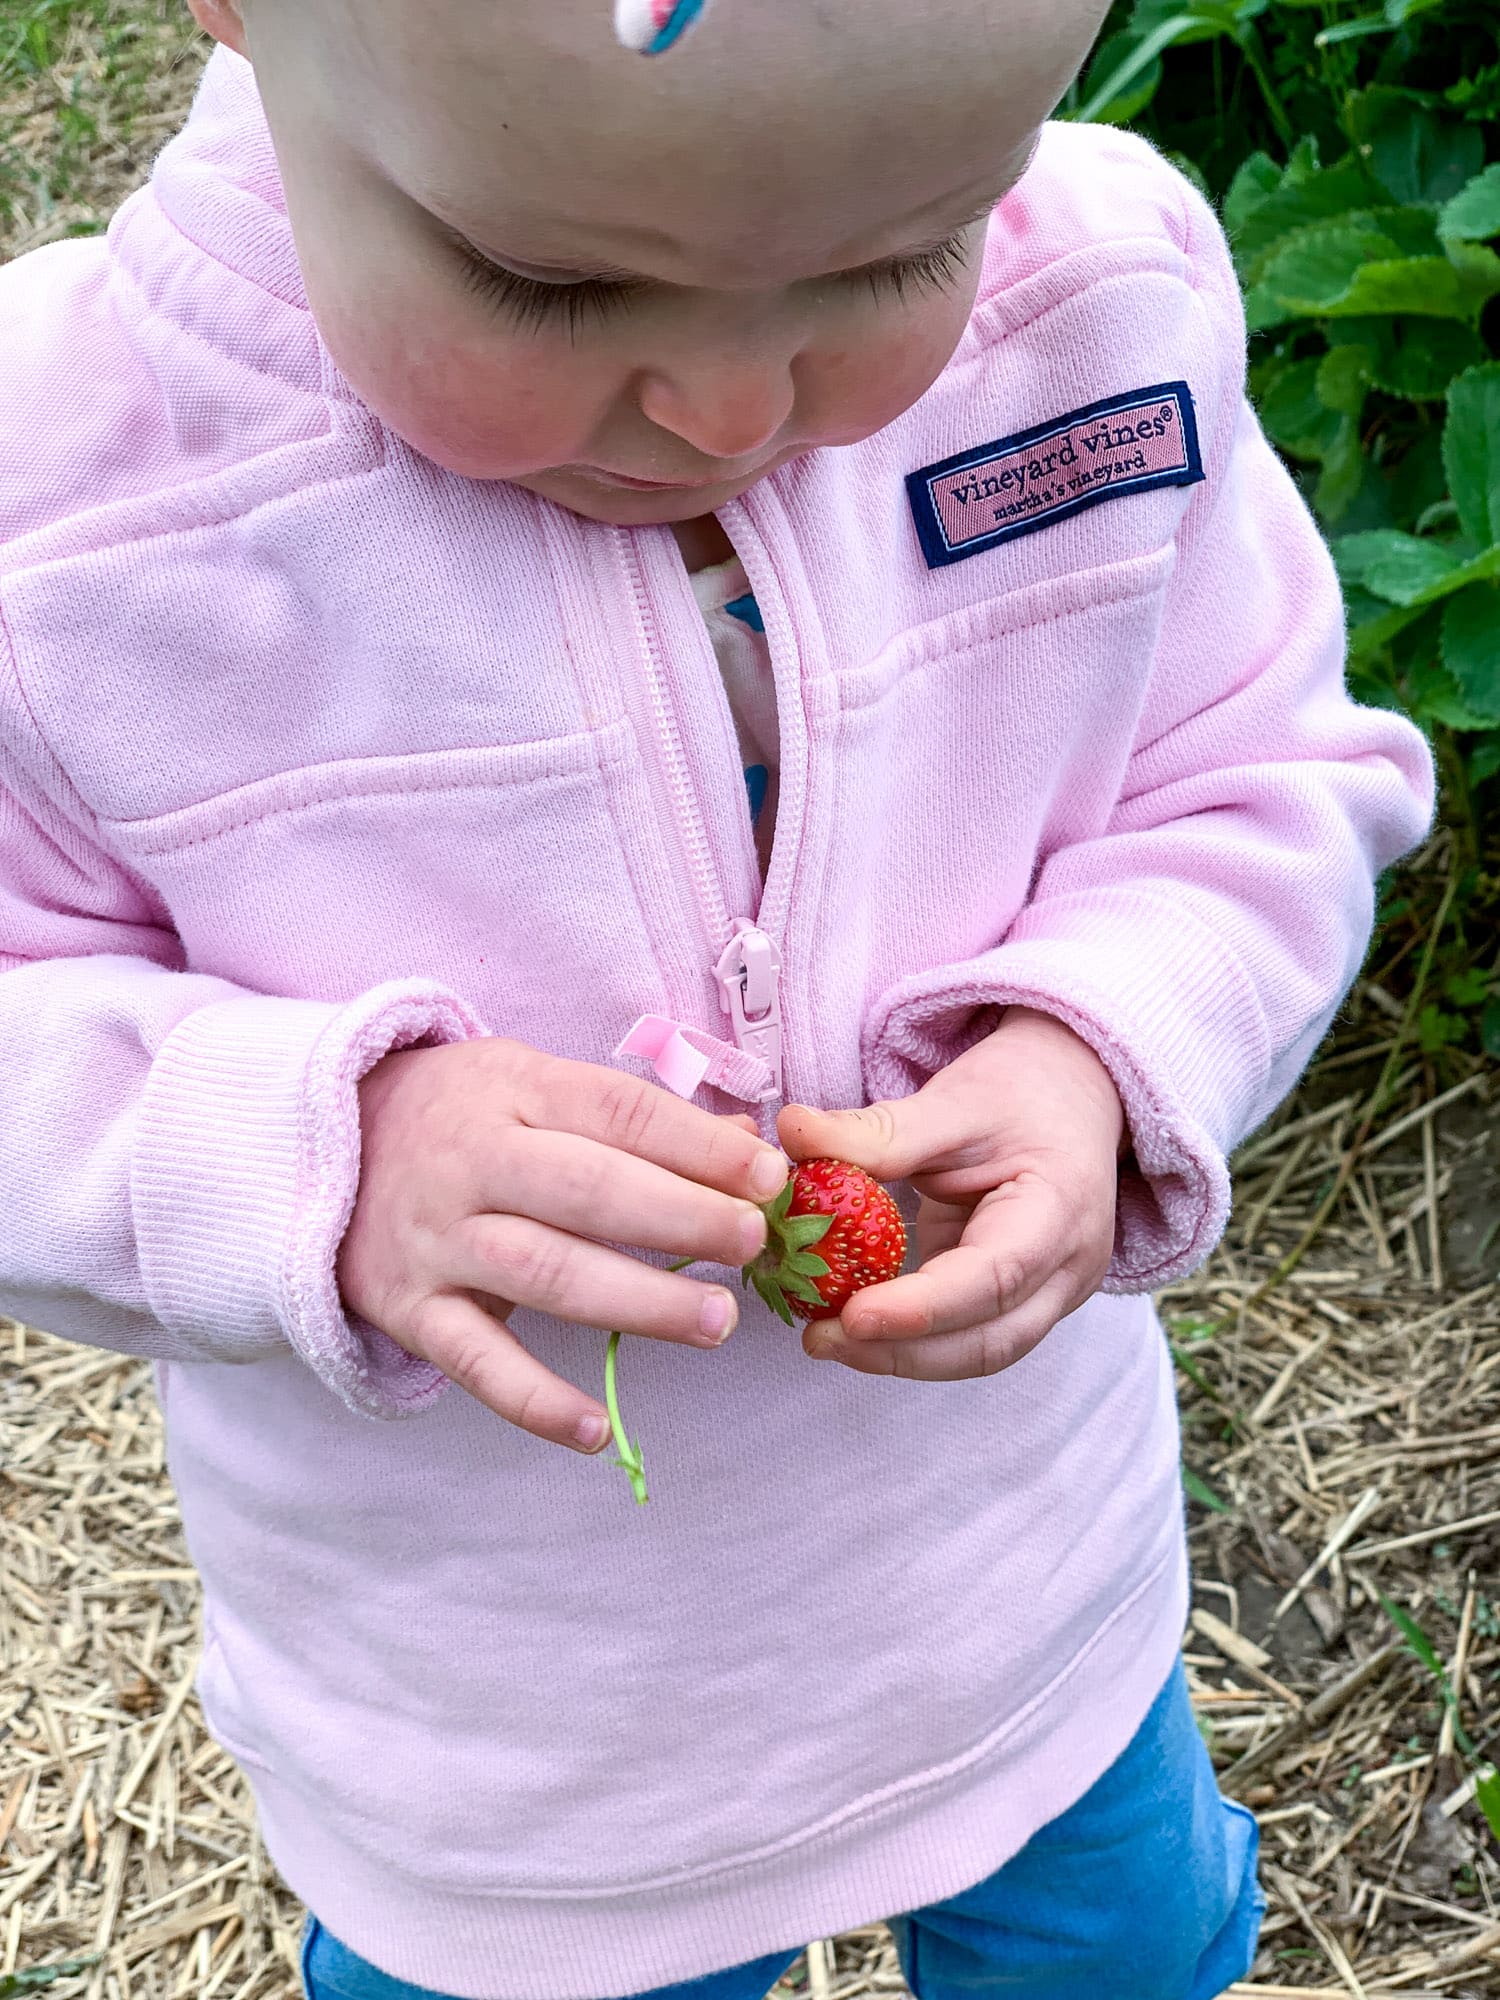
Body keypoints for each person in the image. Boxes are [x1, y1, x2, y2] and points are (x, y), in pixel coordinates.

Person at [0, 0, 1432, 1996]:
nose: (736, 405)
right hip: (513, 1751)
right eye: (551, 276)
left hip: (1023, 1604)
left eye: (896, 248)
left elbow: (1256, 767)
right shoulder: (68, 500)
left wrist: (1109, 1031)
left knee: (1119, 1949)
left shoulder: (1092, 313)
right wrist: (319, 1155)